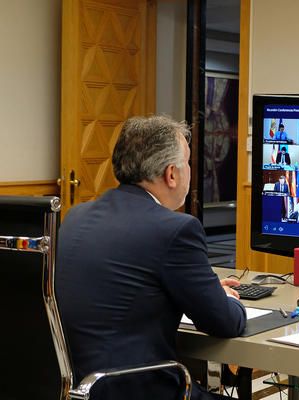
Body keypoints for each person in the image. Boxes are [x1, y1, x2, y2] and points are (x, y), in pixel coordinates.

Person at [55, 115, 247, 400]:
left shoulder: (77, 216)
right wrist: (229, 299)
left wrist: (205, 289)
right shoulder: (175, 230)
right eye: (189, 163)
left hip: (78, 390)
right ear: (172, 174)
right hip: (137, 389)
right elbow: (224, 322)